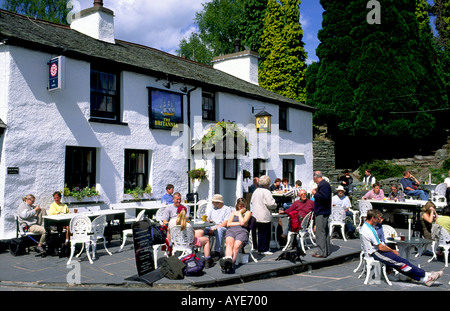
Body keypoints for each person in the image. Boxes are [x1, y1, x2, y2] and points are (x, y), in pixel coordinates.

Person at [360, 209, 443, 286]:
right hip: (375, 252)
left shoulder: (366, 226)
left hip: (376, 250)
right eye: (378, 218)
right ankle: (425, 275)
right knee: (401, 263)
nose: (380, 220)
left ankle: (424, 279)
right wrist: (392, 251)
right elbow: (380, 247)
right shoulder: (369, 230)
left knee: (401, 263)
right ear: (373, 218)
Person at [220, 198, 252, 273]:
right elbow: (228, 224)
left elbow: (243, 223)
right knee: (229, 244)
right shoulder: (233, 212)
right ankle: (228, 261)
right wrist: (240, 223)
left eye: (243, 206)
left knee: (236, 247)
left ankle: (231, 263)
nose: (242, 208)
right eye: (240, 206)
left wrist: (240, 214)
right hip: (231, 231)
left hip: (242, 231)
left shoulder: (248, 213)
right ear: (237, 206)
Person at [251, 175, 277, 255]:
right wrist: (275, 205)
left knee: (259, 233)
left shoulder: (256, 190)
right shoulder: (267, 192)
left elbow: (251, 201)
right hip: (264, 215)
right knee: (265, 233)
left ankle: (259, 248)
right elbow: (270, 204)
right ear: (268, 183)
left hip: (255, 215)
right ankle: (264, 249)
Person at [311, 171, 332, 258]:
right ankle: (325, 250)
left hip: (322, 211)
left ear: (316, 177)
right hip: (324, 211)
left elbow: (324, 198)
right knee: (324, 231)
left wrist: (315, 193)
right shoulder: (324, 184)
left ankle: (321, 252)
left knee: (320, 232)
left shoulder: (323, 185)